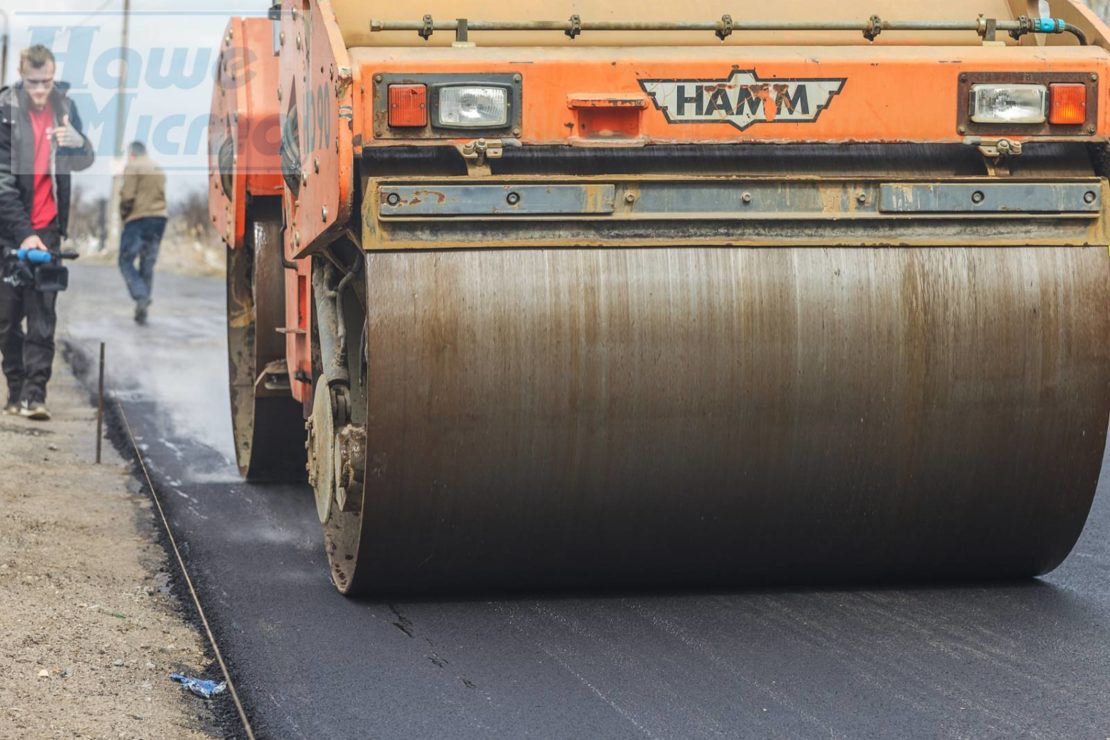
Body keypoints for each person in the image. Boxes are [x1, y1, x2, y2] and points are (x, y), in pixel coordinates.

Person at [0, 45, 94, 421]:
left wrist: (79, 142)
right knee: (6, 319)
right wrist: (23, 233)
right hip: (9, 229)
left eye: (47, 82)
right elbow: (2, 183)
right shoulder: (6, 113)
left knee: (42, 317)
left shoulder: (66, 108)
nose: (41, 90)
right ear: (22, 77)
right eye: (33, 82)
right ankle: (15, 387)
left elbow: (83, 161)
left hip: (49, 228)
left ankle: (34, 396)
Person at [117, 141, 166, 325]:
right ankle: (142, 309)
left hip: (138, 219)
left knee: (125, 259)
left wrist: (124, 214)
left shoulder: (133, 166)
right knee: (147, 262)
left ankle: (141, 296)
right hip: (159, 219)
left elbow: (128, 196)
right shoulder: (157, 167)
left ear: (132, 153)